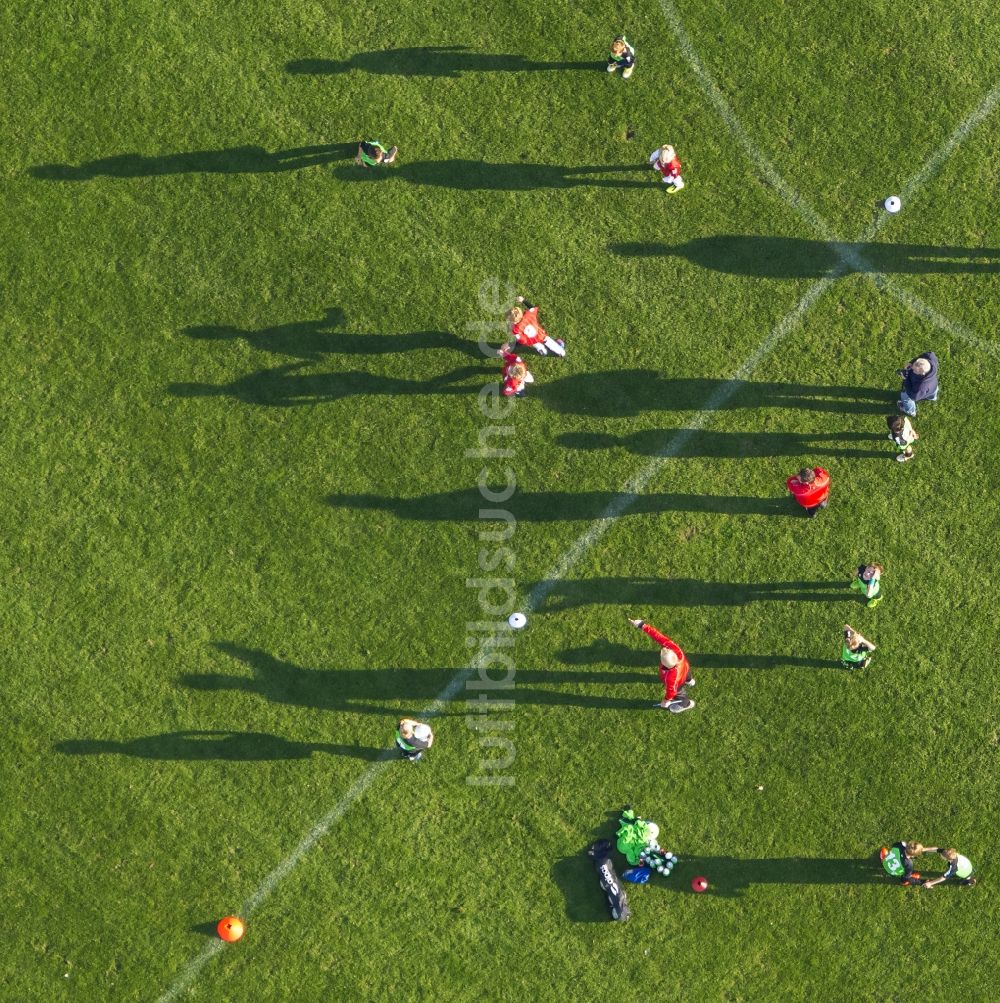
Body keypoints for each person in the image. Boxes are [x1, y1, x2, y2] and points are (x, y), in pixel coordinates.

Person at [627, 617, 695, 712]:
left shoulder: (670, 677)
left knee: (679, 694)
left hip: (678, 682)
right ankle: (690, 681)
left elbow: (671, 691)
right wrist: (642, 625)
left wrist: (666, 700)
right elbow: (659, 637)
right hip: (685, 668)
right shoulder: (676, 650)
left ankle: (687, 704)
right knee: (687, 675)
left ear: (665, 665)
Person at [896, 352, 939, 416]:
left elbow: (914, 397)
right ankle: (932, 398)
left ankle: (911, 411)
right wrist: (912, 362)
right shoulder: (930, 358)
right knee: (932, 392)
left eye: (914, 370)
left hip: (921, 389)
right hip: (934, 386)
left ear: (922, 374)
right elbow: (929, 354)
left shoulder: (921, 387)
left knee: (905, 396)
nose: (912, 369)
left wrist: (906, 379)